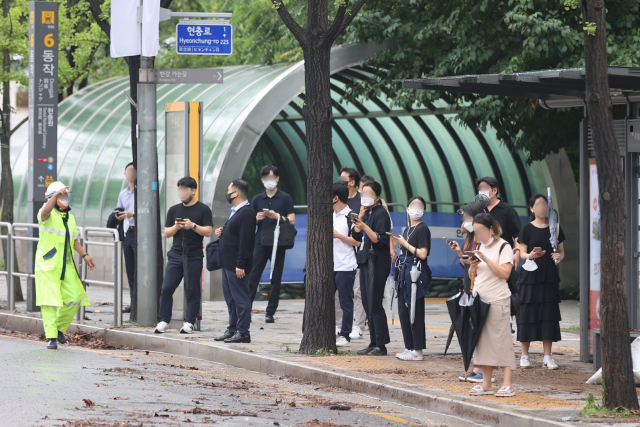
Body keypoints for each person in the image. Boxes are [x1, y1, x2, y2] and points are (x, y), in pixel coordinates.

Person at [36, 181, 96, 350]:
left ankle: (59, 329)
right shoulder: (45, 213)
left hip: (66, 264)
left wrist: (85, 255)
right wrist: (55, 195)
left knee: (74, 297)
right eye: (61, 195)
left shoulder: (70, 218)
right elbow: (46, 211)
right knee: (48, 302)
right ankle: (51, 338)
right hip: (47, 265)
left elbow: (74, 240)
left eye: (65, 195)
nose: (65, 198)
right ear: (52, 197)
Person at [155, 177, 213, 335]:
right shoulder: (174, 210)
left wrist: (192, 226)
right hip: (176, 254)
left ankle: (189, 322)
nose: (181, 193)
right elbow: (167, 233)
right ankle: (164, 320)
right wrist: (176, 226)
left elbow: (208, 231)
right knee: (167, 287)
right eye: (179, 189)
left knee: (192, 289)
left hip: (194, 255)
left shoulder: (203, 210)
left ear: (193, 191)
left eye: (184, 190)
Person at [467, 213, 516, 397]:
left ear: (492, 229)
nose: (478, 236)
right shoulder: (480, 246)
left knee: (501, 341)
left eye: (480, 231)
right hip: (481, 301)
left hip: (498, 300)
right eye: (475, 232)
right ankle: (486, 384)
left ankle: (507, 384)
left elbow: (505, 273)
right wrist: (473, 265)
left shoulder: (504, 246)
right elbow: (475, 274)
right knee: (483, 343)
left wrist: (486, 259)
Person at [446, 202, 495, 383]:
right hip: (471, 285)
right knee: (473, 326)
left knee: (480, 327)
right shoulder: (471, 239)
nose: (464, 223)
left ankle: (482, 368)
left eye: (467, 218)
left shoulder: (484, 240)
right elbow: (467, 266)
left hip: (482, 287)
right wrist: (460, 253)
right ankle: (476, 367)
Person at [517, 194, 565, 370]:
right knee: (527, 313)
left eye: (545, 204)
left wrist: (559, 256)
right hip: (530, 275)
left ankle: (547, 357)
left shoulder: (555, 228)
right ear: (532, 208)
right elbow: (522, 253)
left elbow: (561, 251)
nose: (542, 208)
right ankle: (525, 356)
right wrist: (530, 255)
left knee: (548, 314)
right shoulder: (526, 228)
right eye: (538, 205)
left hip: (549, 275)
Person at [248, 165, 295, 324]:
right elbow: (250, 222)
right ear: (262, 180)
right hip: (260, 241)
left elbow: (291, 220)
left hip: (278, 242)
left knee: (276, 278)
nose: (270, 181)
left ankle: (270, 312)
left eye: (272, 178)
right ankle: (246, 309)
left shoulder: (285, 198)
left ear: (277, 178)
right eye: (266, 179)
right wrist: (257, 218)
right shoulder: (257, 199)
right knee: (253, 276)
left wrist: (277, 216)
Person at [214, 179, 256, 344]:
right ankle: (232, 329)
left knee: (241, 298)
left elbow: (246, 242)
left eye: (229, 190)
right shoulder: (236, 211)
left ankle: (243, 332)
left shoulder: (246, 213)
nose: (227, 193)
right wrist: (223, 232)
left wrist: (241, 264)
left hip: (236, 265)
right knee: (231, 299)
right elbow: (236, 234)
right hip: (228, 263)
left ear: (236, 193)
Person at [353, 180, 391, 356]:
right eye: (363, 194)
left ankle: (381, 345)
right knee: (367, 302)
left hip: (378, 261)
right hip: (365, 260)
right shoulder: (367, 213)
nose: (365, 197)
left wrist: (365, 225)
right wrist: (360, 217)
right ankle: (373, 341)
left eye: (369, 194)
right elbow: (355, 235)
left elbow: (379, 239)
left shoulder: (381, 213)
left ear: (377, 196)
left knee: (375, 302)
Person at [391, 196, 431, 361]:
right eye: (413, 205)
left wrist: (405, 244)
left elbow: (422, 253)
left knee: (415, 310)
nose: (416, 208)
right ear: (407, 209)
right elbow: (403, 252)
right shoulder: (407, 229)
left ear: (424, 211)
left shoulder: (423, 229)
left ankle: (418, 350)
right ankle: (409, 347)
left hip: (416, 272)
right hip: (404, 272)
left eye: (420, 206)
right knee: (403, 310)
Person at [337, 167, 366, 340]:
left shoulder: (362, 201)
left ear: (352, 182)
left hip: (358, 252)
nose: (339, 181)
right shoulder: (337, 201)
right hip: (340, 255)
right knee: (338, 294)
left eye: (343, 178)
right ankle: (339, 325)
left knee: (358, 291)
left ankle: (358, 325)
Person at [332, 181, 361, 347]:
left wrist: (338, 236)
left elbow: (357, 242)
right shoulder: (330, 215)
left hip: (346, 265)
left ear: (336, 198)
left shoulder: (351, 216)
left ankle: (345, 334)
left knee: (345, 302)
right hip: (331, 265)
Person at [476, 177, 521, 266]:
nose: (481, 191)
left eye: (485, 188)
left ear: (495, 190)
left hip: (502, 254)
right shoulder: (478, 209)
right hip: (482, 254)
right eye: (480, 189)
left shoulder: (507, 210)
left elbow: (518, 234)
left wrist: (517, 253)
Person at [116, 162, 136, 314]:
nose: (131, 174)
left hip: (140, 232)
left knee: (139, 269)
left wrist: (132, 214)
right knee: (130, 269)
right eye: (128, 171)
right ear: (125, 174)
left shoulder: (142, 193)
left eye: (133, 171)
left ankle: (142, 301)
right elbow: (119, 210)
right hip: (127, 233)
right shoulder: (122, 193)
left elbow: (148, 212)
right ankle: (133, 302)